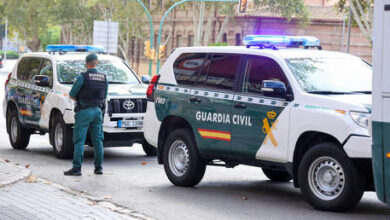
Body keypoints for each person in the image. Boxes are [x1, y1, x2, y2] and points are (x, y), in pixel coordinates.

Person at [64, 53, 108, 176]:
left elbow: (72, 94)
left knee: (79, 140)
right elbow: (104, 96)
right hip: (97, 111)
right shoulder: (104, 77)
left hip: (84, 111)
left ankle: (77, 168)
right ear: (96, 63)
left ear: (86, 64)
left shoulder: (83, 77)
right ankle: (98, 168)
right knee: (98, 140)